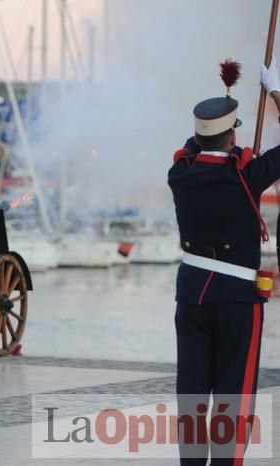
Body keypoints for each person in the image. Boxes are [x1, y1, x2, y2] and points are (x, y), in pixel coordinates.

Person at [168, 59, 280, 464]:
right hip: (237, 299)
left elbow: (193, 147)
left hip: (192, 297)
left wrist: (219, 132)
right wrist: (276, 92)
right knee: (234, 399)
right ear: (231, 134)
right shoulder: (246, 174)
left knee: (193, 398)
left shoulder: (179, 173)